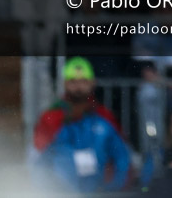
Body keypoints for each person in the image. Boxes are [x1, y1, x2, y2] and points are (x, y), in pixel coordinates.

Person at [33, 57, 130, 193]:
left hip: (99, 190)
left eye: (83, 81)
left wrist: (111, 188)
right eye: (73, 82)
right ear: (65, 83)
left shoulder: (104, 117)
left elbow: (122, 157)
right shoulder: (51, 116)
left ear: (92, 83)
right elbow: (39, 157)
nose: (78, 87)